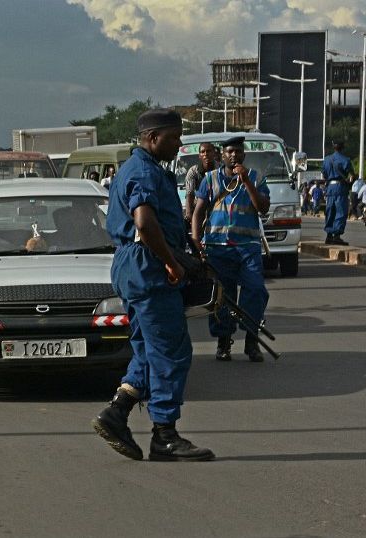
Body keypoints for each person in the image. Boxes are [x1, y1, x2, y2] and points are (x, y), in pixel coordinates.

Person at [91, 108, 214, 462]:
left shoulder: (144, 169)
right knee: (172, 351)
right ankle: (165, 436)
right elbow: (144, 224)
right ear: (152, 138)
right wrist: (172, 262)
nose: (178, 144)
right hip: (147, 266)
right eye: (173, 138)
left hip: (138, 266)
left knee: (148, 350)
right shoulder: (142, 171)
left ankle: (116, 413)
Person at [191, 136, 270, 363]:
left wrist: (246, 182)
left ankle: (252, 340)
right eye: (229, 152)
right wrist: (196, 240)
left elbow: (263, 208)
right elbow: (198, 212)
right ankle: (223, 341)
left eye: (237, 151)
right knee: (222, 297)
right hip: (218, 248)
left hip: (248, 248)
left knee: (255, 290)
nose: (233, 155)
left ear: (243, 154)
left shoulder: (256, 178)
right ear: (221, 155)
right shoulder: (210, 179)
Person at [321, 141, 353, 245]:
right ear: (342, 147)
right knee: (340, 211)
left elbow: (324, 174)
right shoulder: (346, 160)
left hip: (330, 187)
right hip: (340, 187)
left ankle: (329, 235)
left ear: (333, 147)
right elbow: (352, 175)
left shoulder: (326, 159)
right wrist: (349, 181)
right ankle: (337, 236)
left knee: (330, 210)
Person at [183, 142, 218, 225]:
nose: (206, 154)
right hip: (199, 207)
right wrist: (189, 215)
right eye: (202, 152)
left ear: (214, 154)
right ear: (199, 155)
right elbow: (189, 194)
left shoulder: (220, 169)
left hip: (217, 207)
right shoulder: (193, 171)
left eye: (209, 151)